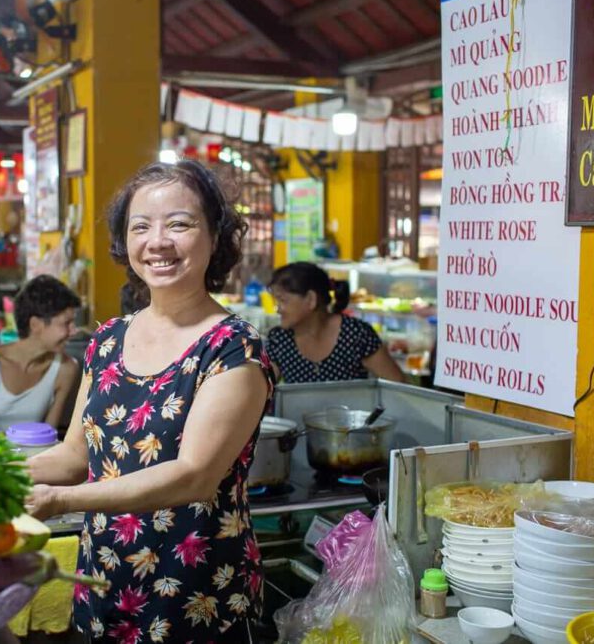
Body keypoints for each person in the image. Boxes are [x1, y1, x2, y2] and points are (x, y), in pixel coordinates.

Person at [24, 160, 273, 641]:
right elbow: (76, 455)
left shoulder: (232, 347)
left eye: (179, 224)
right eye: (141, 226)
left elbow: (194, 475)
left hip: (192, 594)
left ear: (215, 236)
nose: (157, 242)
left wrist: (59, 502)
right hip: (103, 579)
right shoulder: (109, 339)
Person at [0, 275, 81, 432]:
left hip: (33, 456)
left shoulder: (66, 369)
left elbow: (47, 436)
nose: (74, 331)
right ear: (35, 324)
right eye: (66, 323)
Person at [266, 262, 404, 383]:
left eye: (282, 300)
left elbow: (399, 388)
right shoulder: (279, 339)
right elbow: (261, 392)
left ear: (310, 299)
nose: (277, 309)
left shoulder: (355, 334)